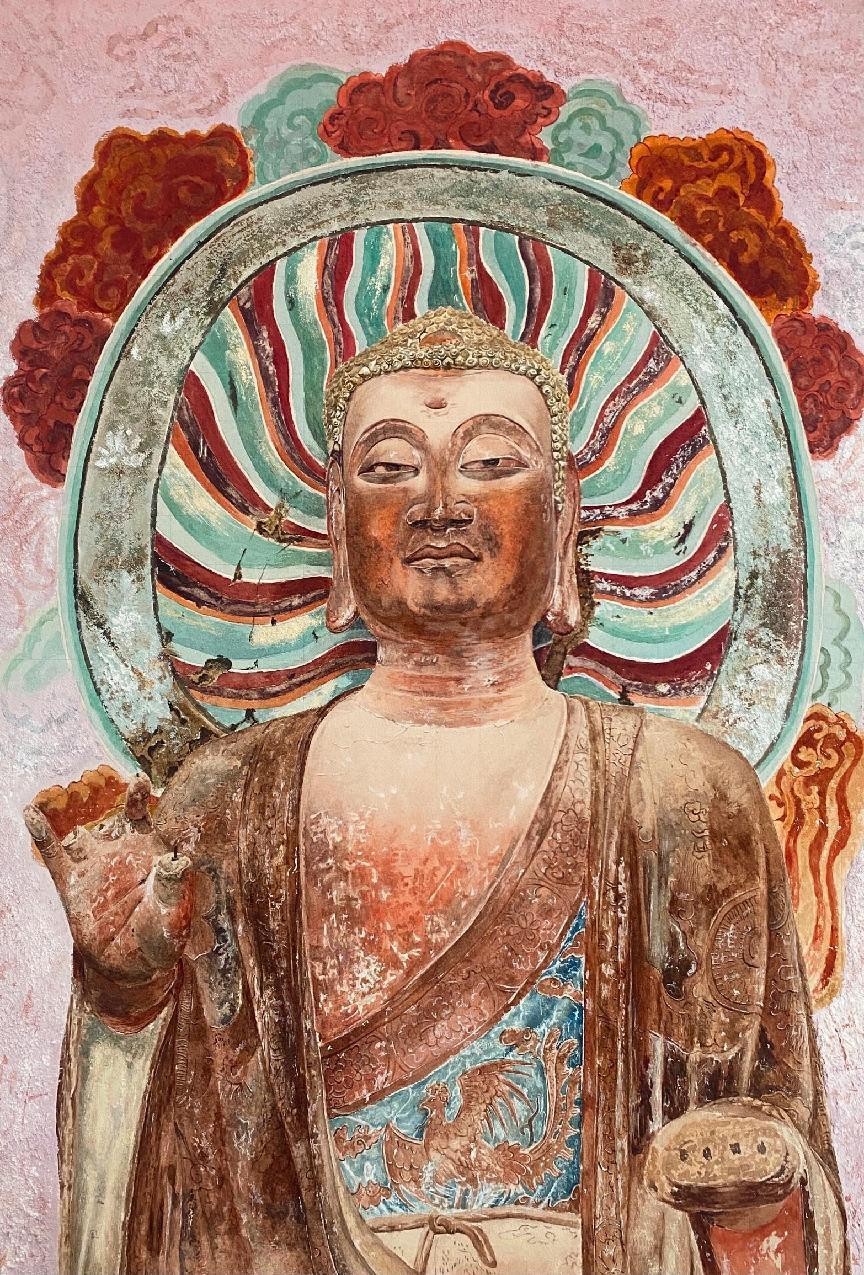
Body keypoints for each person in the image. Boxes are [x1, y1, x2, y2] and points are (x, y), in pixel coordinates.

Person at [26, 309, 847, 1275]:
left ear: (564, 517)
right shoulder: (226, 802)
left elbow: (767, 1136)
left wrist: (748, 1181)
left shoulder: (681, 792)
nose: (439, 503)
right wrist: (124, 997)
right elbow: (154, 1179)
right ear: (339, 528)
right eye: (390, 467)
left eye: (491, 462)